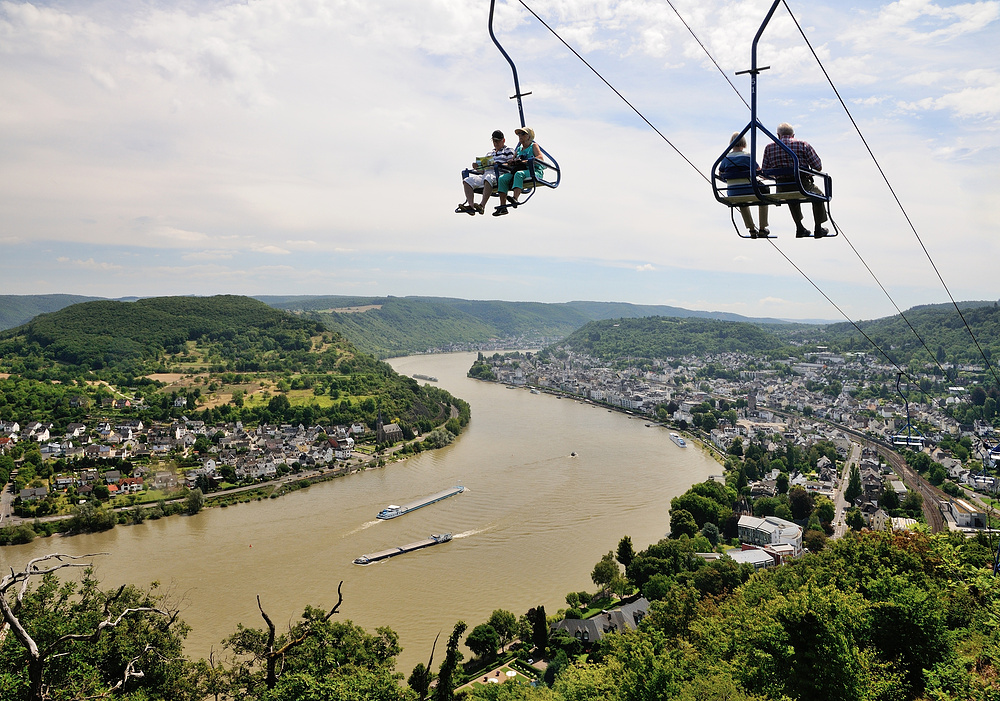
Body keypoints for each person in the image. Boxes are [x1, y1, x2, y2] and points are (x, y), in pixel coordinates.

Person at [761, 122, 829, 238]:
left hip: (782, 188)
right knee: (819, 196)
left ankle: (799, 227)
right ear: (793, 135)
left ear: (778, 135)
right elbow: (818, 166)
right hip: (802, 184)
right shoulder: (803, 145)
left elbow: (765, 171)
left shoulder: (769, 148)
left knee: (791, 197)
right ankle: (818, 227)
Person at [718, 132, 769, 238]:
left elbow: (720, 173)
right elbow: (758, 171)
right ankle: (762, 228)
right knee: (764, 194)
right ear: (744, 144)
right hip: (749, 190)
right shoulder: (747, 157)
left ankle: (751, 229)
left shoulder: (725, 158)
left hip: (733, 193)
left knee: (741, 201)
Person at [457, 130, 515, 215]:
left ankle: (482, 205)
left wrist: (498, 164)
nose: (495, 143)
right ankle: (471, 205)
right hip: (487, 173)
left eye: (497, 141)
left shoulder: (508, 150)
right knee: (467, 180)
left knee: (488, 178)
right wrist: (477, 167)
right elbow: (483, 171)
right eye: (494, 141)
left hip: (499, 173)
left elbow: (511, 164)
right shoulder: (489, 153)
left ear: (503, 140)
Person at [493, 126, 544, 216]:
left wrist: (525, 161)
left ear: (529, 136)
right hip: (520, 170)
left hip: (533, 171)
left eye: (523, 134)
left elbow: (540, 158)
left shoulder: (533, 146)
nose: (520, 136)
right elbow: (511, 161)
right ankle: (503, 206)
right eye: (519, 134)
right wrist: (509, 162)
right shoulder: (519, 149)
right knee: (502, 178)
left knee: (518, 174)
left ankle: (515, 198)